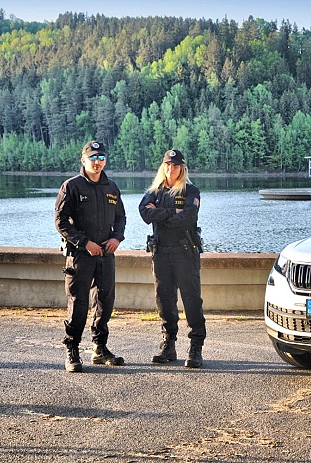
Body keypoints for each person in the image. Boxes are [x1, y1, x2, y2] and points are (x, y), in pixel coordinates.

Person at [55, 140, 126, 373]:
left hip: (106, 255)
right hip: (80, 256)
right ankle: (72, 350)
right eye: (93, 158)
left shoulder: (111, 187)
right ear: (83, 160)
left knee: (105, 302)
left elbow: (120, 218)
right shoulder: (72, 187)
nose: (97, 162)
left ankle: (100, 349)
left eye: (101, 158)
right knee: (79, 303)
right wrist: (85, 243)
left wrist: (117, 238)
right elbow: (61, 222)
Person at [139, 149, 206, 368]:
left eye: (175, 166)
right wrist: (171, 213)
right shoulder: (154, 192)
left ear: (182, 168)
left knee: (191, 300)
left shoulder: (191, 191)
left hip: (184, 252)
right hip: (161, 253)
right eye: (168, 165)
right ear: (163, 167)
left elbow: (187, 219)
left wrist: (160, 212)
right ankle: (169, 344)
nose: (171, 169)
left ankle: (196, 346)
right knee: (164, 300)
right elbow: (144, 213)